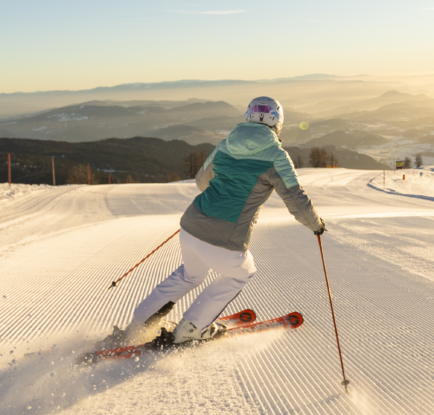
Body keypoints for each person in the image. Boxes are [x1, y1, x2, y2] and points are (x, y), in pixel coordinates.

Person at [103, 96, 325, 347]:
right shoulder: (276, 156)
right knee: (242, 272)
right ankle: (193, 327)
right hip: (225, 236)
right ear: (278, 123)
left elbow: (201, 182)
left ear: (248, 116)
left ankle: (139, 324)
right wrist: (316, 225)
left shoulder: (225, 145)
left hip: (191, 224)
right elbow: (296, 199)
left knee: (190, 275)